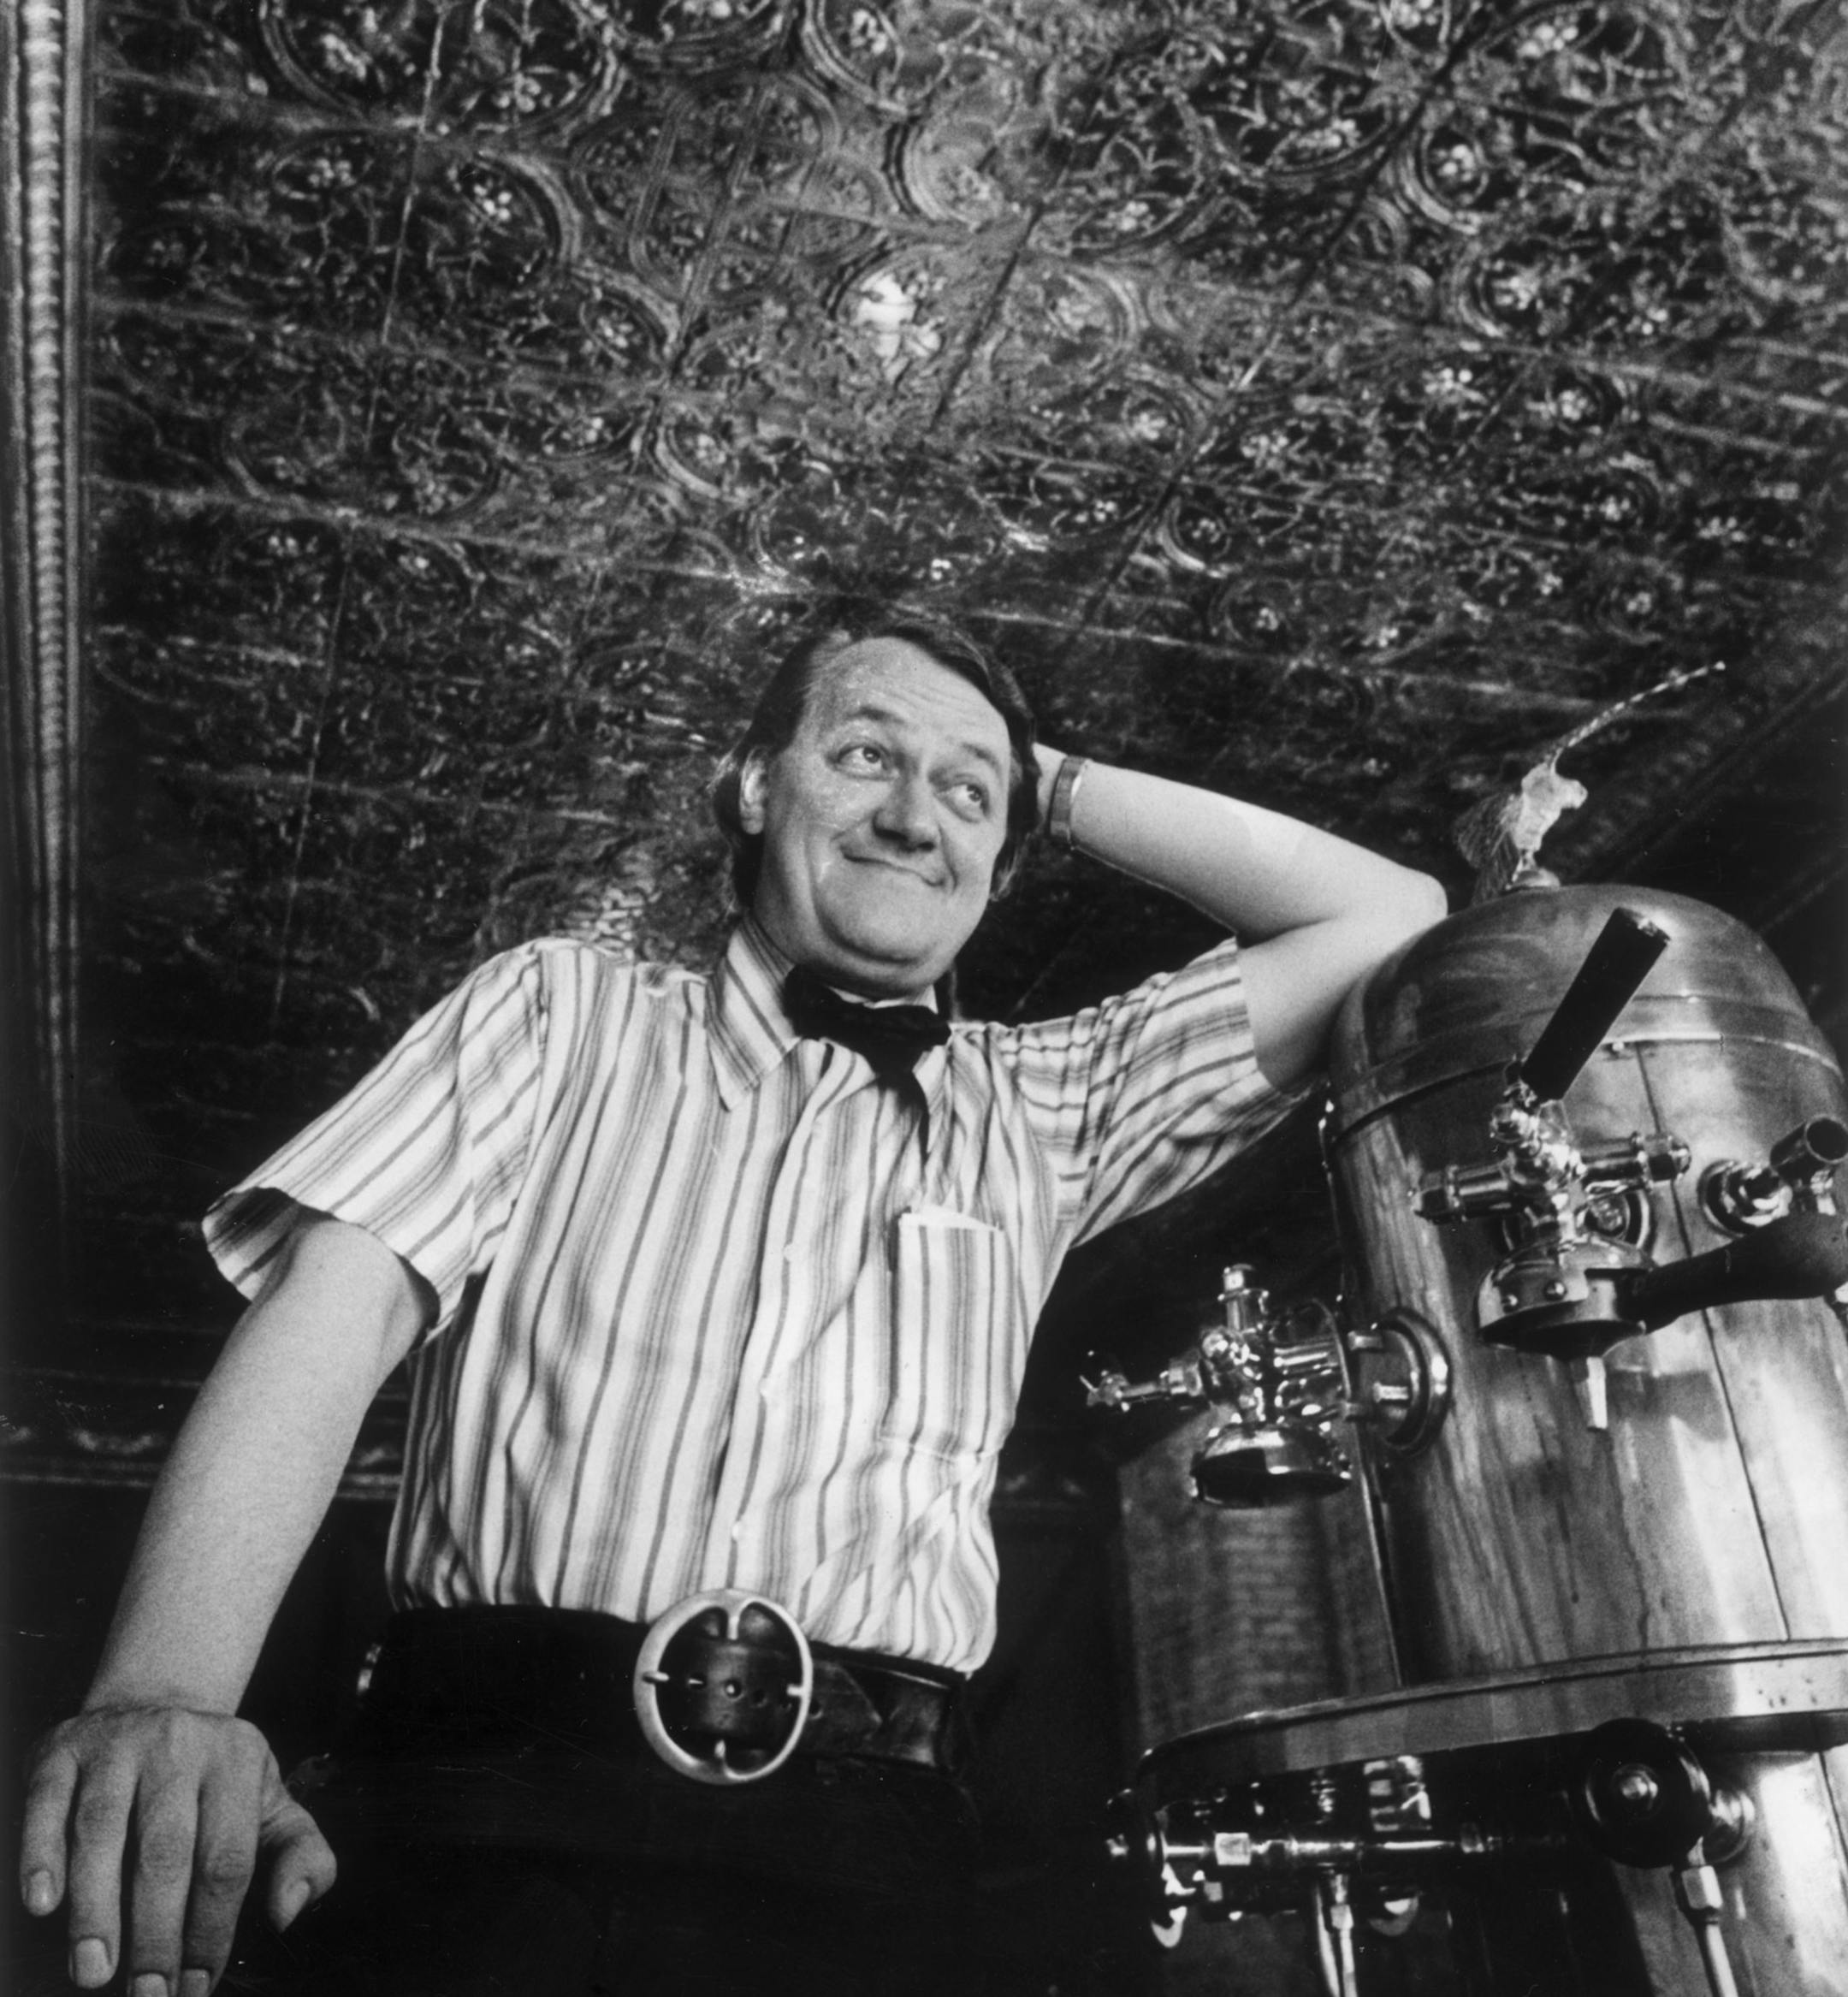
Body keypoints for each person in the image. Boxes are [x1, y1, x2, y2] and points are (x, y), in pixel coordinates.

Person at [17, 608, 1446, 1995]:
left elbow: (1391, 916)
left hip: (867, 1866)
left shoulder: (1047, 1110)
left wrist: (1044, 777)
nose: (917, 816)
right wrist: (169, 1694)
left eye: (966, 794)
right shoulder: (559, 1013)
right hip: (479, 1808)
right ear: (756, 784)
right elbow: (332, 1320)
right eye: (867, 755)